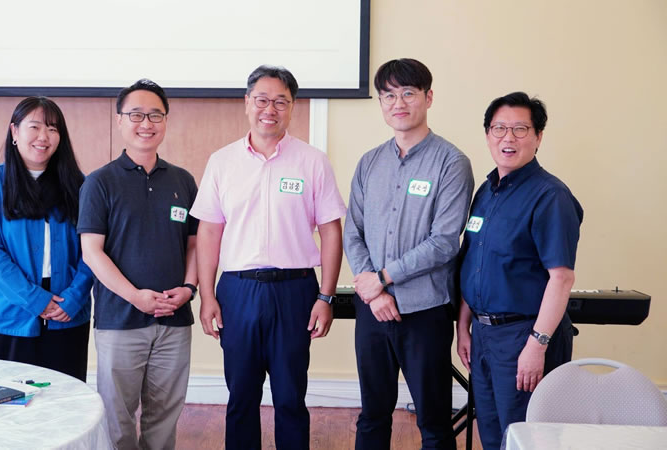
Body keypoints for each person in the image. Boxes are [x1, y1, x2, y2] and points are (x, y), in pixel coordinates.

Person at [190, 65, 346, 450]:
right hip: (237, 292)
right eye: (262, 100)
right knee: (241, 396)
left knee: (290, 397)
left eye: (280, 101)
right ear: (247, 103)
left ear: (292, 107)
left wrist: (325, 297)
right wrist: (207, 296)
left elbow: (331, 231)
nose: (269, 109)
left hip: (295, 291)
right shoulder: (222, 162)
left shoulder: (312, 161)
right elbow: (208, 232)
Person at [343, 58, 474, 450]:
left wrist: (383, 278)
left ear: (428, 98)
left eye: (407, 93)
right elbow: (353, 232)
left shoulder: (452, 162)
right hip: (372, 310)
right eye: (388, 96)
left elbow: (444, 241)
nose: (397, 103)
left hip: (425, 312)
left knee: (433, 422)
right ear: (381, 103)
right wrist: (374, 292)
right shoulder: (369, 162)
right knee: (372, 416)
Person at [457, 92, 582, 450]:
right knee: (493, 434)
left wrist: (537, 345)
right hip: (484, 336)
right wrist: (463, 327)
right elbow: (472, 262)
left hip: (524, 335)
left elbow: (561, 277)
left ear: (538, 137)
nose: (507, 138)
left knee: (526, 437)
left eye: (520, 129)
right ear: (487, 135)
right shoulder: (486, 191)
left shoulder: (550, 196)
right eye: (499, 128)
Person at [78, 79, 198, 450]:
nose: (146, 123)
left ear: (166, 121)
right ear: (119, 121)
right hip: (120, 321)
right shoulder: (99, 182)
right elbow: (92, 252)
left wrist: (189, 288)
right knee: (116, 419)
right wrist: (136, 297)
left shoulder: (183, 181)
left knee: (164, 418)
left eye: (155, 115)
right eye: (136, 115)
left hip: (174, 320)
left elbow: (195, 244)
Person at [0, 96, 92, 381]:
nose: (43, 136)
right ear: (14, 131)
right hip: (7, 313)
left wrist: (74, 298)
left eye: (52, 128)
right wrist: (35, 300)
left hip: (67, 310)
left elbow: (94, 248)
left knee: (64, 399)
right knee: (5, 400)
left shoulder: (79, 185)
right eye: (34, 127)